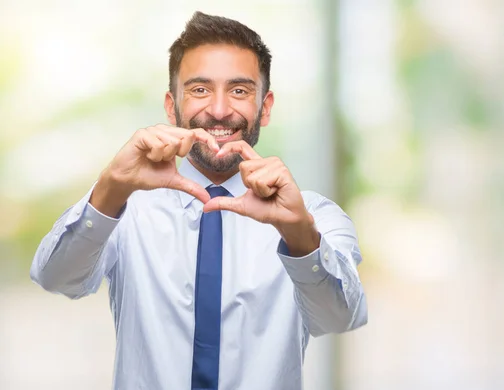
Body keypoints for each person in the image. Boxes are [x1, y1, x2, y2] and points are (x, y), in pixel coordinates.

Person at [30, 11, 367, 390]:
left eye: (239, 90)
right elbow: (56, 278)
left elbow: (341, 320)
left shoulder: (312, 217)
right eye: (200, 90)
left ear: (265, 106)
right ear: (172, 106)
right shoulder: (127, 207)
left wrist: (299, 235)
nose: (220, 110)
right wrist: (110, 188)